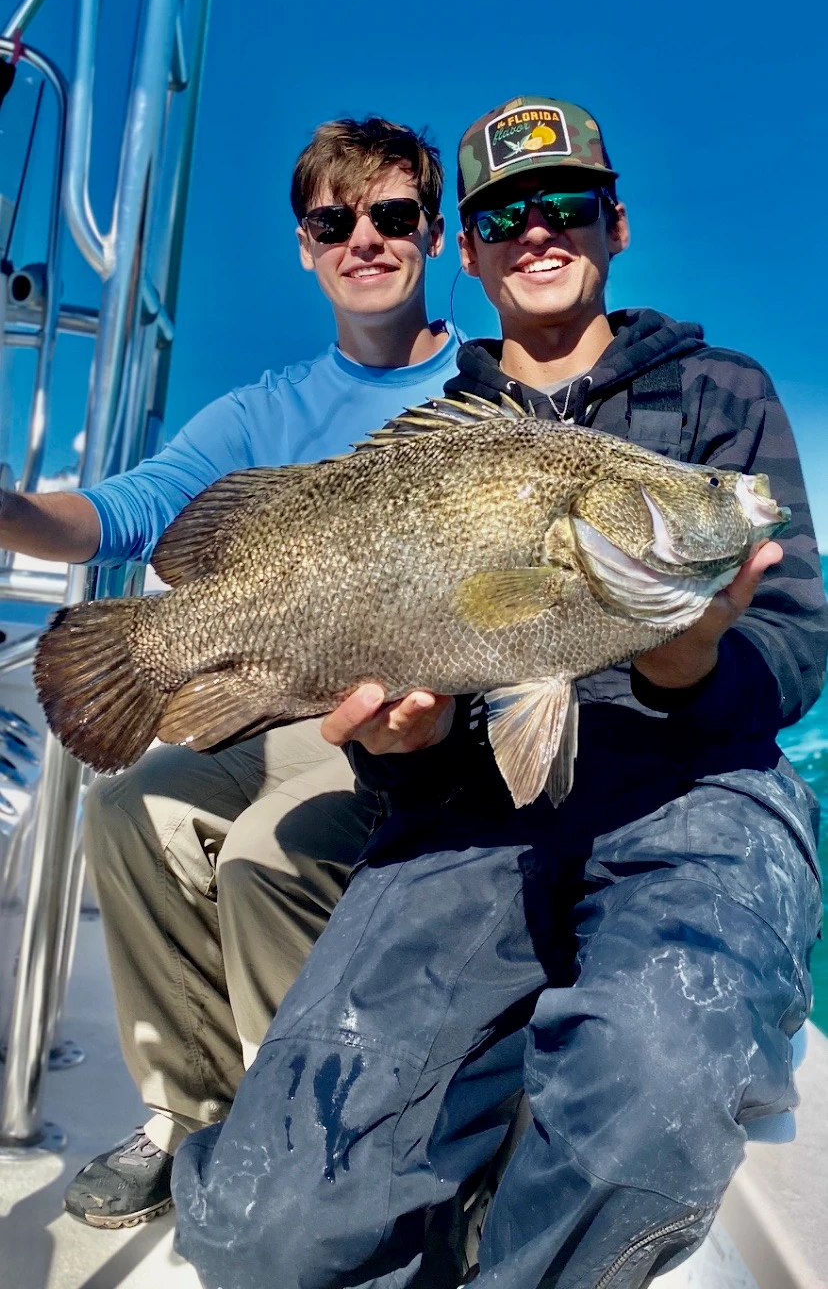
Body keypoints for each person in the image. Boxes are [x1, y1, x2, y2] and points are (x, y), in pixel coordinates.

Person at [170, 95, 826, 1289]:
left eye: (566, 204)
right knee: (260, 1231)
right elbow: (416, 709)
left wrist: (691, 666)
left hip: (703, 795)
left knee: (653, 1082)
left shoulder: (722, 394)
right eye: (504, 214)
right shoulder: (436, 433)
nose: (538, 231)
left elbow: (794, 636)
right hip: (474, 811)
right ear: (467, 252)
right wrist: (402, 746)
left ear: (615, 225)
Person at [0, 114, 462, 1230]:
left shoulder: (483, 392)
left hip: (415, 724)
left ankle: (305, 1123)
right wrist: (10, 509)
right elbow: (125, 512)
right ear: (305, 246)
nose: (365, 238)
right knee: (125, 808)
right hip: (272, 694)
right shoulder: (263, 409)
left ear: (434, 236)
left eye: (393, 216)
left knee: (261, 854)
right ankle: (190, 1112)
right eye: (333, 220)